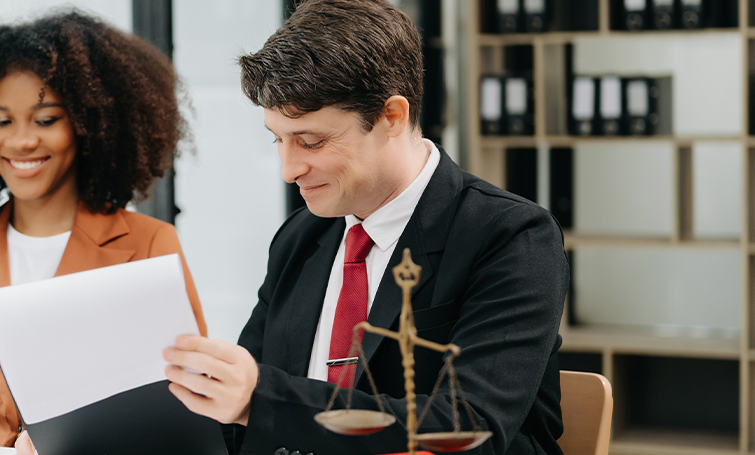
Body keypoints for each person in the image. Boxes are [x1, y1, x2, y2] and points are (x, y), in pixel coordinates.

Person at [161, 1, 568, 454]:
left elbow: (468, 427)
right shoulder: (301, 237)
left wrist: (261, 400)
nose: (289, 169)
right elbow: (240, 414)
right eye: (277, 140)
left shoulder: (510, 237)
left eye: (311, 141)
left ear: (391, 116)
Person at [0, 11, 208, 450]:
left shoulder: (149, 244)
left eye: (45, 120)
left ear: (88, 125)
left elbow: (186, 407)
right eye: (0, 121)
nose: (21, 141)